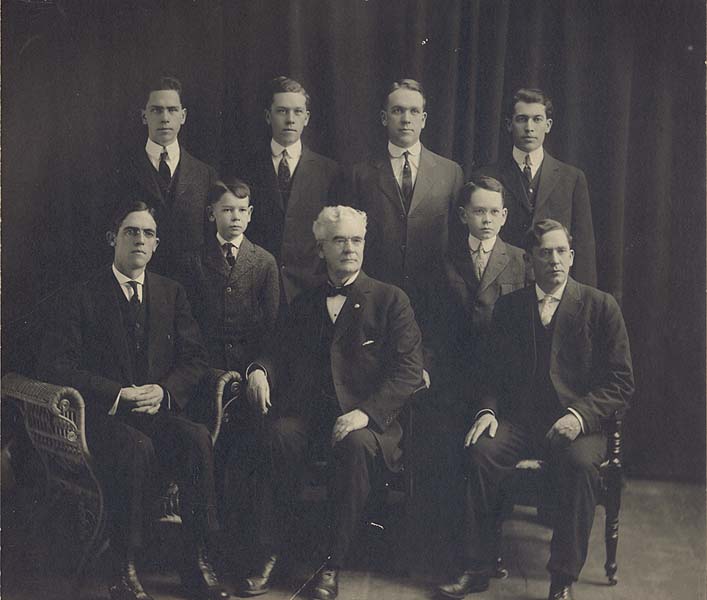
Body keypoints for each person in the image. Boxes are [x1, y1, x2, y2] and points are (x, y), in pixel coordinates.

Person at [38, 202, 229, 600]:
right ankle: (123, 567)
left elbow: (195, 359)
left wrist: (164, 391)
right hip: (100, 418)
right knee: (136, 447)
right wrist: (117, 394)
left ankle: (195, 560)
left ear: (156, 244)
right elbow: (57, 365)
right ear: (113, 239)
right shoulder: (82, 294)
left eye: (148, 234)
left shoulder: (171, 292)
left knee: (196, 438)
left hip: (155, 410)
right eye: (131, 232)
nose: (140, 240)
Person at [437, 220, 634, 600]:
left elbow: (621, 383)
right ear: (530, 261)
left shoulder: (600, 306)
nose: (554, 260)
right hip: (521, 424)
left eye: (561, 252)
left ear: (572, 257)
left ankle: (561, 579)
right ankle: (476, 567)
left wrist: (579, 416)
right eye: (545, 253)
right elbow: (490, 374)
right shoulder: (511, 307)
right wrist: (487, 412)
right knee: (481, 452)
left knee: (579, 465)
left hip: (579, 426)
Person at [240, 206, 423, 600]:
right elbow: (277, 350)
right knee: (279, 435)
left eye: (356, 240)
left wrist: (365, 413)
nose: (349, 248)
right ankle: (270, 552)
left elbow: (409, 371)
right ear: (321, 248)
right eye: (339, 240)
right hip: (312, 415)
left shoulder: (390, 300)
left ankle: (331, 565)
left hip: (369, 422)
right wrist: (259, 370)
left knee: (354, 445)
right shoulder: (305, 301)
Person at [348, 78, 463, 384]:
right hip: (378, 297)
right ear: (384, 117)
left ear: (424, 119)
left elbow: (457, 242)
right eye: (398, 110)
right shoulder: (361, 173)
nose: (406, 119)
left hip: (432, 299)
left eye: (414, 112)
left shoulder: (450, 172)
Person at [474, 88, 597, 285]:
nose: (529, 127)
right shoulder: (486, 176)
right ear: (509, 124)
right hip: (502, 285)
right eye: (522, 119)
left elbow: (583, 248)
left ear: (548, 125)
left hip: (553, 285)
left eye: (537, 119)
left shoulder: (571, 178)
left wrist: (581, 297)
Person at [241, 76, 342, 303]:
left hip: (311, 288)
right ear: (268, 116)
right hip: (257, 285)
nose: (290, 119)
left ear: (306, 118)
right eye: (282, 111)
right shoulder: (246, 168)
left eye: (297, 112)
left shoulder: (329, 171)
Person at [111, 76, 218, 278]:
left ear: (183, 116)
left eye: (172, 110)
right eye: (156, 110)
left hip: (192, 284)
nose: (165, 118)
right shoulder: (121, 171)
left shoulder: (205, 175)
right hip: (139, 281)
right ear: (144, 116)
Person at [437, 176, 526, 408]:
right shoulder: (444, 259)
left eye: (494, 212)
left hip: (502, 372)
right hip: (453, 371)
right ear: (463, 215)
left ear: (504, 216)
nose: (487, 220)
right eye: (479, 211)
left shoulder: (521, 260)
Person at [182, 179, 279, 374]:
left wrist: (259, 368)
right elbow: (189, 324)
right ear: (211, 213)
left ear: (249, 214)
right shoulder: (194, 261)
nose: (236, 217)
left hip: (250, 367)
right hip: (206, 367)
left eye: (242, 210)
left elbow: (272, 326)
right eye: (227, 210)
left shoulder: (265, 262)